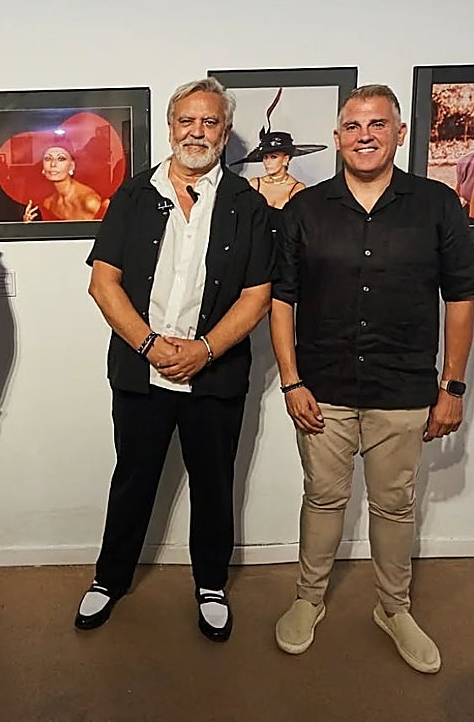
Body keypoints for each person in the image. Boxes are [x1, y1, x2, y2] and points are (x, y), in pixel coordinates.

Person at [270, 84, 474, 674]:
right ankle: (308, 599)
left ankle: (393, 609)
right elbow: (282, 301)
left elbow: (461, 297)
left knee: (393, 505)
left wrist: (452, 387)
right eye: (352, 124)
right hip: (323, 388)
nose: (364, 134)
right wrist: (291, 382)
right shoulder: (304, 210)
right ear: (339, 136)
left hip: (403, 389)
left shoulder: (437, 205)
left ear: (398, 132)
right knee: (322, 497)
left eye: (377, 123)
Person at [73, 78, 274, 642]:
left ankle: (211, 584)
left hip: (216, 375)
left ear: (226, 132)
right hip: (140, 371)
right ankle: (108, 579)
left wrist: (204, 350)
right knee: (133, 479)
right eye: (187, 120)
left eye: (210, 122)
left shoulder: (246, 204)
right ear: (171, 125)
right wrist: (149, 345)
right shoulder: (134, 195)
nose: (197, 132)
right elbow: (103, 283)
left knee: (214, 483)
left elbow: (257, 294)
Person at [22, 142, 110, 221]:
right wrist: (29, 227)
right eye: (48, 159)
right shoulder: (48, 203)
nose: (53, 164)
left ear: (72, 166)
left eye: (61, 159)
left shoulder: (89, 202)